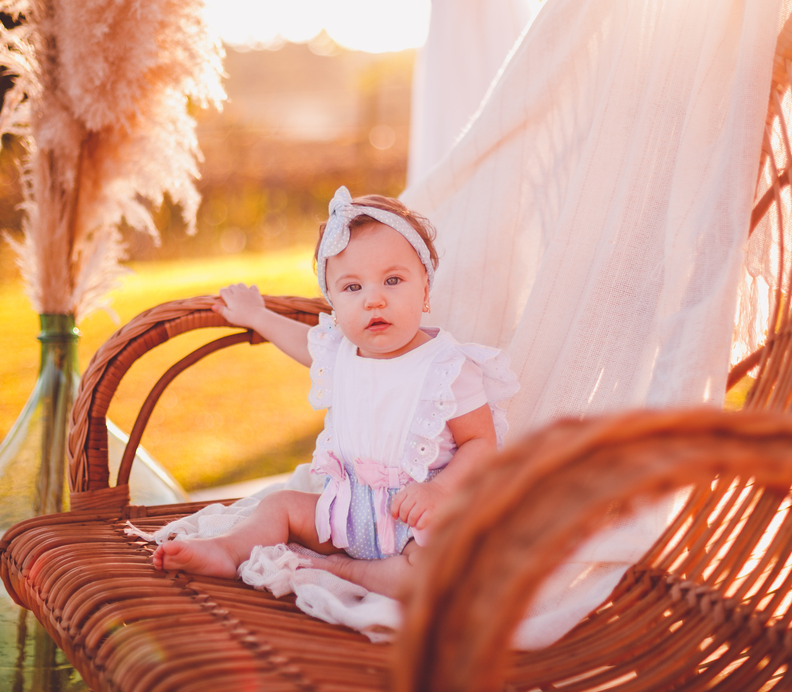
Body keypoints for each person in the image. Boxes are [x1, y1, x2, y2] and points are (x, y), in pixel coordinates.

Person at [152, 186, 518, 599]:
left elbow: (481, 442)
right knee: (280, 507)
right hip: (346, 513)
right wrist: (256, 315)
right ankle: (226, 549)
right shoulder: (339, 353)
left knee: (441, 568)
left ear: (426, 291)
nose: (374, 300)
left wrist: (438, 491)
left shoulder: (448, 366)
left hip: (421, 518)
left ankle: (343, 570)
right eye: (352, 288)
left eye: (393, 280)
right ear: (333, 303)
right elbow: (298, 339)